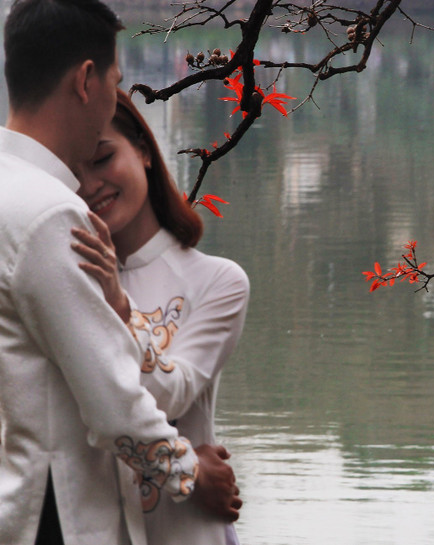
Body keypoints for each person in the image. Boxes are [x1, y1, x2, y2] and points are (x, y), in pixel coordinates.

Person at [0, 1, 225, 544]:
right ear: (85, 80)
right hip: (56, 514)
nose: (112, 104)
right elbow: (110, 402)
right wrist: (190, 472)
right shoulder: (51, 212)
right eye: (114, 81)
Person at [71, 89, 249, 545]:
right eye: (73, 173)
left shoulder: (217, 282)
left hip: (186, 530)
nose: (89, 186)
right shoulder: (62, 283)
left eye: (102, 159)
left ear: (145, 151)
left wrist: (119, 307)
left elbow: (172, 396)